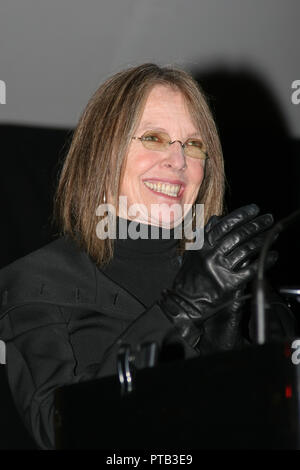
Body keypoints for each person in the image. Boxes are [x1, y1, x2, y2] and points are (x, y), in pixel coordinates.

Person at [0, 63, 296, 450]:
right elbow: (62, 432)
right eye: (154, 137)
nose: (178, 161)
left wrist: (229, 353)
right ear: (103, 153)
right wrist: (181, 309)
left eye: (194, 144)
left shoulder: (234, 273)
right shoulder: (38, 281)